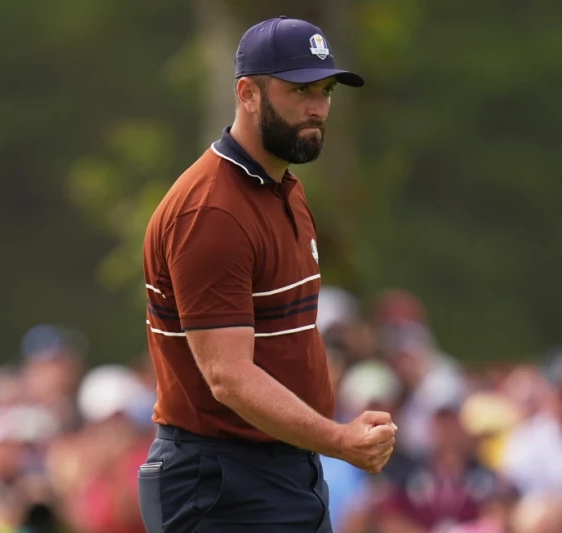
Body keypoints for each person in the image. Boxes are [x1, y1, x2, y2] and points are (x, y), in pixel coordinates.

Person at [138, 16, 396, 533]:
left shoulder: (287, 190)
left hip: (285, 471)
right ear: (247, 94)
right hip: (220, 483)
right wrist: (337, 438)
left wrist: (328, 430)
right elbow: (228, 377)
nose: (318, 108)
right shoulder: (210, 212)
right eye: (300, 90)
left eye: (324, 91)